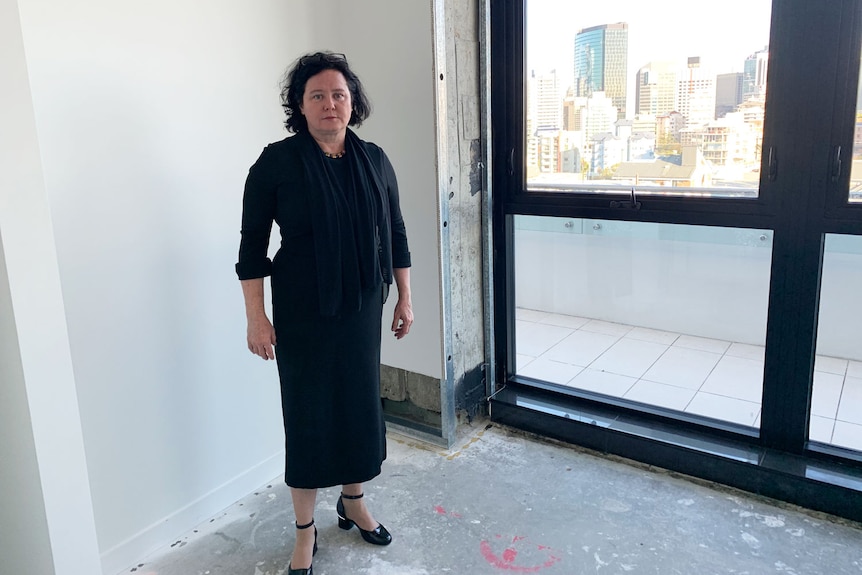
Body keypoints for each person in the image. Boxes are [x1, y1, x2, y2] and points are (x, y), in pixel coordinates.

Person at [235, 51, 413, 575]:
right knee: (310, 413)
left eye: (338, 94)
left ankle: (353, 501)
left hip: (362, 307)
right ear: (300, 104)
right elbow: (252, 248)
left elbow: (395, 233)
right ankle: (304, 530)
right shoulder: (275, 163)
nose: (330, 103)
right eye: (317, 95)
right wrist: (256, 316)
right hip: (303, 312)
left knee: (359, 405)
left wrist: (405, 296)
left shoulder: (375, 159)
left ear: (352, 101)